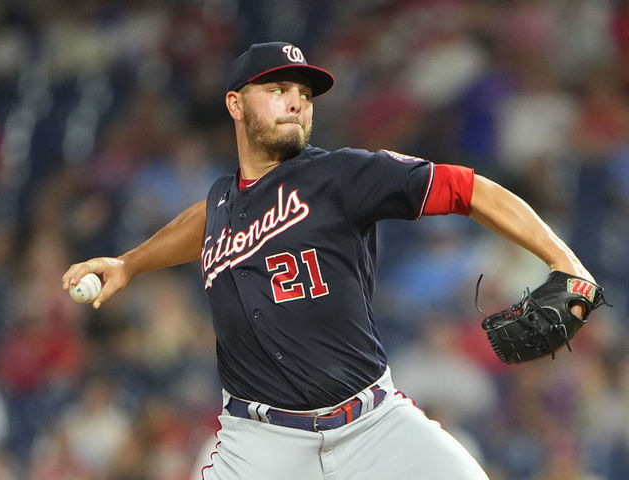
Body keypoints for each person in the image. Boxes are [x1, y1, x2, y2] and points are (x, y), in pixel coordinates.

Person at [62, 42, 595, 480]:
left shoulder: (341, 176)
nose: (295, 101)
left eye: (303, 94)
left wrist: (564, 260)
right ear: (235, 104)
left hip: (373, 425)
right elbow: (203, 221)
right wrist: (129, 264)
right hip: (258, 444)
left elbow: (469, 189)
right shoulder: (223, 200)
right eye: (277, 90)